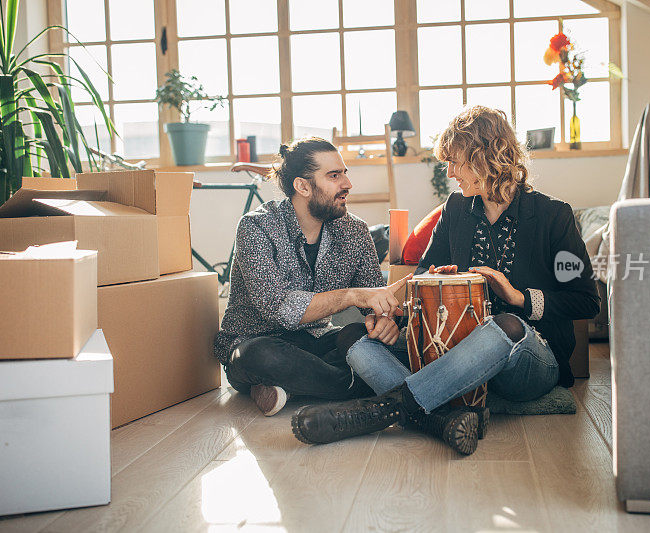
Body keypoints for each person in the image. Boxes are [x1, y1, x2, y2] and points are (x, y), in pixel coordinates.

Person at [291, 106, 600, 454]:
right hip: (454, 351)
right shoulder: (456, 209)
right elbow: (423, 273)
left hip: (526, 358)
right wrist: (410, 301)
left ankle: (388, 408)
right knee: (352, 335)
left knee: (508, 325)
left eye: (455, 161)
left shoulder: (553, 216)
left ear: (485, 156)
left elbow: (586, 301)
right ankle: (437, 417)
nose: (449, 172)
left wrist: (519, 298)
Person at [214, 137, 408, 417]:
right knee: (259, 355)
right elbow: (277, 307)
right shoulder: (256, 227)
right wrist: (352, 295)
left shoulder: (355, 231)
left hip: (316, 341)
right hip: (256, 342)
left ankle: (290, 389)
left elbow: (373, 300)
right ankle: (375, 393)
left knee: (359, 335)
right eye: (334, 176)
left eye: (344, 173)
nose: (347, 184)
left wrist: (384, 320)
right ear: (302, 186)